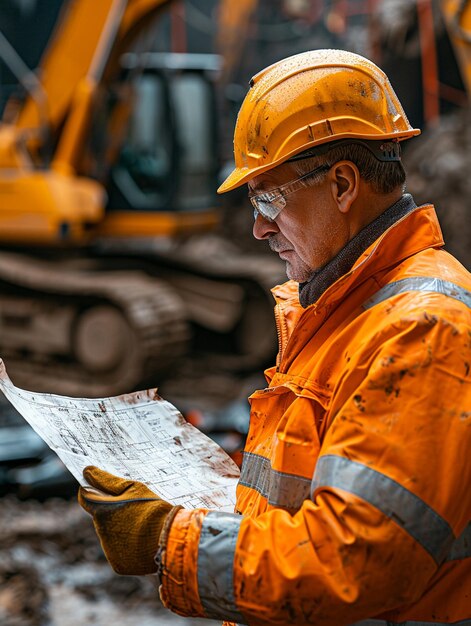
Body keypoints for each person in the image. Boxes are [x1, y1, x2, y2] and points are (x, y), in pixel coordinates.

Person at [78, 49, 471, 625]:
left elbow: (354, 563)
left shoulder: (420, 331)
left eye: (269, 199)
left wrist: (170, 539)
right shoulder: (345, 311)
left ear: (342, 184)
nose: (259, 227)